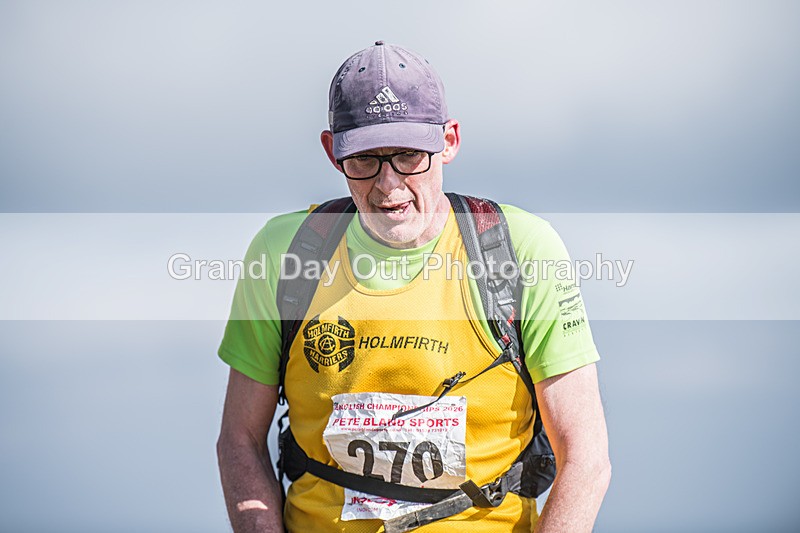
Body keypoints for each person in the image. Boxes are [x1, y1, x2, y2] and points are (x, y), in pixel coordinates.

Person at [216, 41, 610, 532]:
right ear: (331, 151)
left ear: (449, 140)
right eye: (363, 160)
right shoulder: (286, 253)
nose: (388, 185)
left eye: (407, 156)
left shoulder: (521, 249)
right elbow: (240, 440)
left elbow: (586, 455)